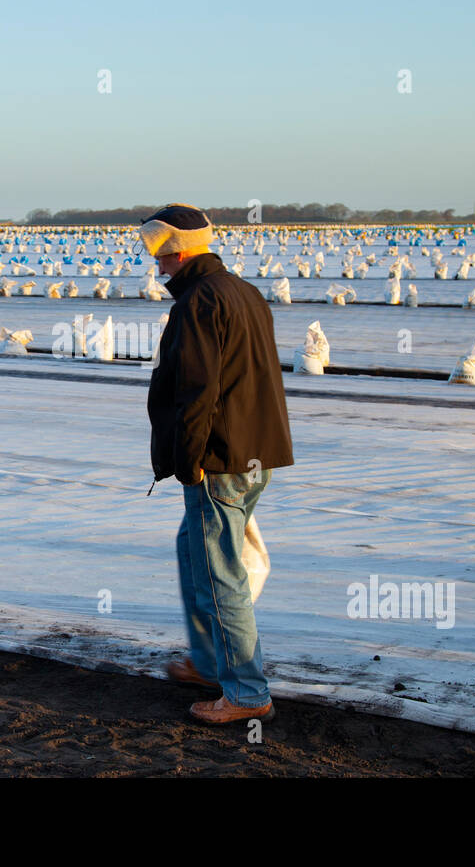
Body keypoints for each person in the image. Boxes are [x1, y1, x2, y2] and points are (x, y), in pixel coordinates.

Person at [140, 203, 294, 724]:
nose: (157, 267)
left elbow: (197, 388)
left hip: (219, 457)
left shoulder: (199, 302)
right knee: (194, 550)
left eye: (159, 255)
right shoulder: (242, 291)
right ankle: (209, 663)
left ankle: (247, 693)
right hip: (254, 452)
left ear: (178, 251)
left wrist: (189, 459)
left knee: (217, 571)